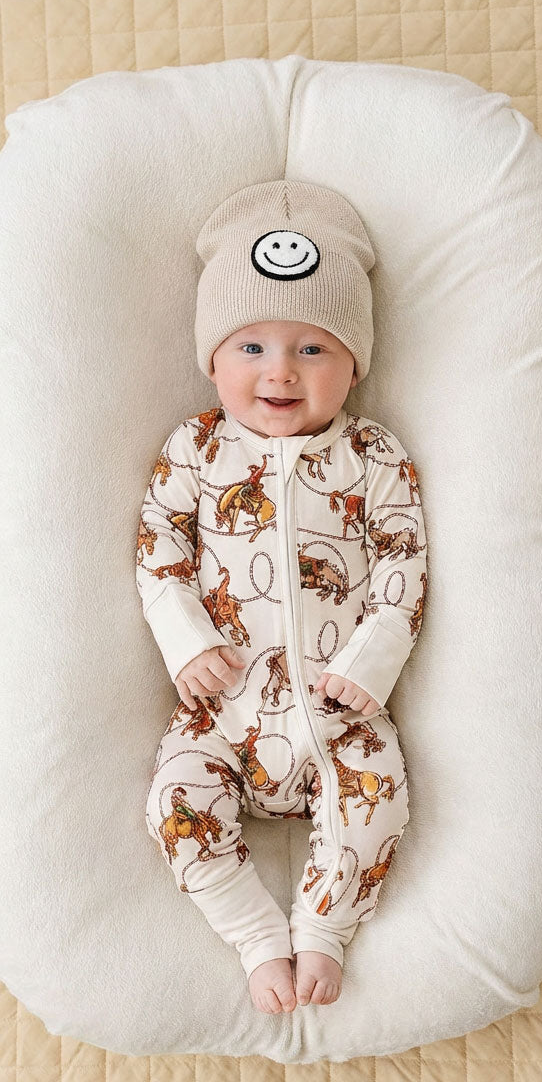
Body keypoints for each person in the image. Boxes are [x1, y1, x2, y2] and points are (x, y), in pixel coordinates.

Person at [136, 180, 427, 1015]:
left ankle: (323, 930)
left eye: (312, 349)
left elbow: (404, 560)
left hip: (342, 711)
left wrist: (374, 661)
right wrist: (186, 642)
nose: (280, 372)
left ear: (353, 364)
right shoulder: (195, 449)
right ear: (215, 359)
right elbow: (160, 550)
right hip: (222, 707)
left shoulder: (374, 456)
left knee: (380, 806)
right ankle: (257, 938)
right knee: (176, 807)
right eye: (252, 347)